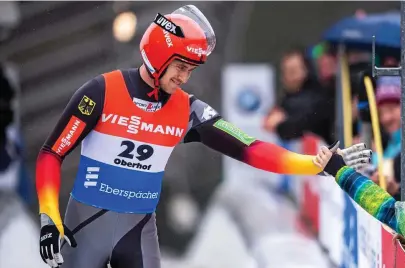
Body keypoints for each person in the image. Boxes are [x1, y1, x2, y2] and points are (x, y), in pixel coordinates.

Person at [35, 6, 344, 268]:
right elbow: (52, 153)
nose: (183, 77)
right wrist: (50, 218)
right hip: (86, 226)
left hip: (137, 231)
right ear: (158, 53)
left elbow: (250, 149)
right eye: (180, 66)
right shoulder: (101, 91)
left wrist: (313, 165)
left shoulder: (188, 109)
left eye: (191, 70)